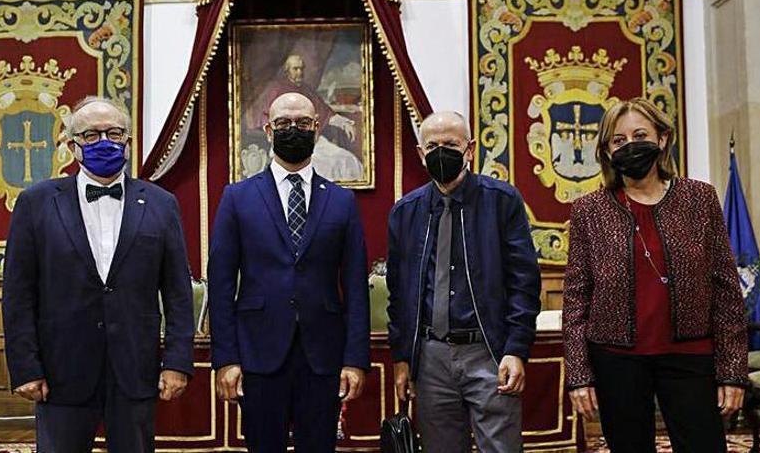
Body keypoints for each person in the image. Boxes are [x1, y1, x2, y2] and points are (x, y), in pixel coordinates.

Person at [2, 96, 194, 453]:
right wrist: (25, 367)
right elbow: (18, 293)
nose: (104, 142)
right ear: (73, 147)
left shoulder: (161, 203)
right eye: (91, 135)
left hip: (135, 371)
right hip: (61, 372)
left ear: (128, 142)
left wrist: (178, 362)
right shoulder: (36, 203)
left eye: (114, 133)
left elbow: (178, 292)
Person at [562, 97, 747, 452]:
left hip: (691, 353)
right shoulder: (590, 210)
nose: (630, 145)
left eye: (640, 135)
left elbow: (726, 289)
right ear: (606, 150)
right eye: (619, 140)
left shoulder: (699, 199)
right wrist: (579, 376)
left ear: (662, 139)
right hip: (617, 358)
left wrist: (732, 371)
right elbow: (576, 299)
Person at [209, 92, 370, 452]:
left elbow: (356, 286)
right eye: (283, 123)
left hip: (323, 356)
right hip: (258, 354)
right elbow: (220, 285)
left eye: (303, 123)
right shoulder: (237, 197)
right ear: (268, 129)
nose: (293, 129)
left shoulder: (342, 202)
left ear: (317, 127)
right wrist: (226, 359)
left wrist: (355, 359)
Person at [386, 111, 542, 452]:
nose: (442, 152)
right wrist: (402, 357)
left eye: (451, 144)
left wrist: (516, 350)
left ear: (470, 149)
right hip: (430, 358)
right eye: (433, 145)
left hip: (489, 351)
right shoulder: (405, 212)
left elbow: (524, 283)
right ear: (420, 153)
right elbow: (399, 293)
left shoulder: (502, 201)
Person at [251, 54, 364, 182]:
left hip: (314, 142)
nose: (299, 72)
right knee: (321, 164)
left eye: (301, 69)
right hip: (287, 144)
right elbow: (264, 117)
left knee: (346, 158)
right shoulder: (275, 90)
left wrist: (343, 123)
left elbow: (325, 113)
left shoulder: (306, 90)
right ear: (287, 70)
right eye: (295, 69)